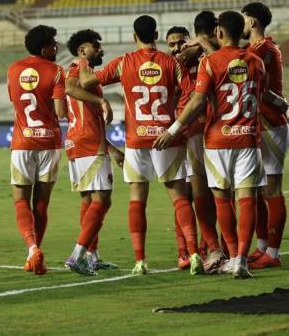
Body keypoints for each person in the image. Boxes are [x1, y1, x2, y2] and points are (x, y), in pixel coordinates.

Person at [77, 15, 201, 276]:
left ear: (135, 37)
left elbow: (87, 82)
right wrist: (174, 124)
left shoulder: (124, 63)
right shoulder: (172, 63)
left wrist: (83, 60)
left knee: (137, 201)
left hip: (136, 141)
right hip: (166, 137)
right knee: (179, 199)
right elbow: (191, 96)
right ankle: (193, 254)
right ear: (156, 35)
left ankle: (140, 261)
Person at [154, 10, 266, 279]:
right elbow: (262, 94)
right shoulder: (256, 61)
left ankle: (219, 251)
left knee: (220, 198)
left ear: (218, 32)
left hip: (214, 137)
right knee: (247, 199)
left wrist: (173, 128)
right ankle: (238, 257)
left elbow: (198, 100)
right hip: (248, 137)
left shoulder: (209, 61)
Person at [7, 25, 67, 275]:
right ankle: (34, 253)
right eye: (54, 43)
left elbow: (15, 101)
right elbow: (61, 112)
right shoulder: (56, 71)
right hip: (49, 143)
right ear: (44, 48)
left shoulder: (13, 69)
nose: (57, 46)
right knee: (41, 202)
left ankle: (32, 249)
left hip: (23, 142)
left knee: (21, 200)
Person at [63, 29, 124, 276]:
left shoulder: (78, 69)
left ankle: (92, 256)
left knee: (88, 202)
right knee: (102, 200)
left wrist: (112, 149)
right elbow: (69, 89)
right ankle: (76, 256)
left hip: (79, 142)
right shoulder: (80, 65)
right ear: (82, 50)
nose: (100, 49)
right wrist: (102, 101)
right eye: (94, 46)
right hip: (88, 142)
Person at [242, 2, 289, 270]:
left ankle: (273, 251)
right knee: (259, 189)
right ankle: (262, 248)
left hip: (271, 123)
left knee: (272, 187)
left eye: (244, 19)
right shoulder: (261, 48)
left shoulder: (261, 49)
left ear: (252, 22)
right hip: (261, 123)